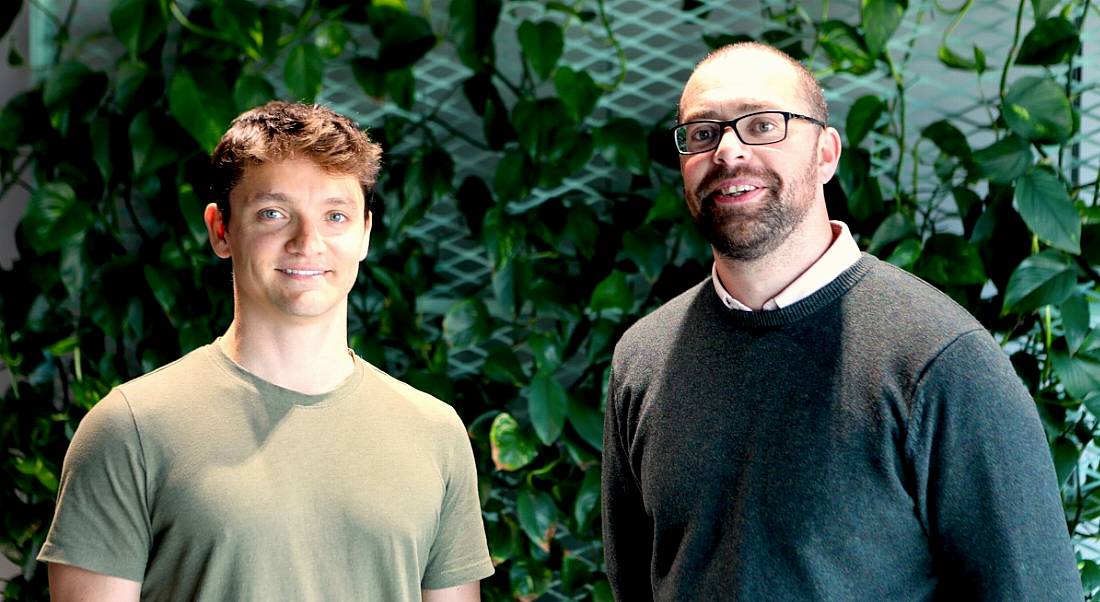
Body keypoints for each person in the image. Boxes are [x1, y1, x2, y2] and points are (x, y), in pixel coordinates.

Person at [601, 42, 1081, 600]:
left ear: (826, 154)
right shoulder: (644, 358)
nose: (728, 151)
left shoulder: (941, 361)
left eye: (762, 125)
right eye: (703, 133)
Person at [38, 101, 494, 601]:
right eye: (273, 214)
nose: (308, 242)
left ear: (365, 232)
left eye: (335, 216)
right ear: (221, 230)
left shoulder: (434, 433)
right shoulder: (131, 429)